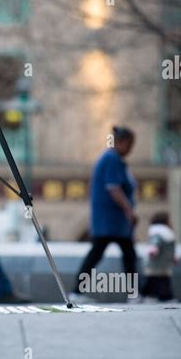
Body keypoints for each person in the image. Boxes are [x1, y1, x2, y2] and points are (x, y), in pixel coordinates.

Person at [70, 126, 138, 301]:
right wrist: (129, 211)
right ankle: (77, 292)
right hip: (110, 220)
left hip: (113, 221)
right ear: (121, 142)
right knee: (104, 253)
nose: (131, 149)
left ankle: (77, 291)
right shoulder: (112, 159)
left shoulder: (113, 159)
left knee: (118, 253)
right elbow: (113, 188)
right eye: (129, 144)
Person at [141, 211, 177, 302]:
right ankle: (164, 296)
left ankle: (149, 296)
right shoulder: (161, 232)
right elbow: (155, 242)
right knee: (160, 281)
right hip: (157, 263)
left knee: (156, 281)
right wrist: (153, 249)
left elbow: (168, 249)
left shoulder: (162, 233)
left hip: (161, 263)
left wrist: (173, 257)